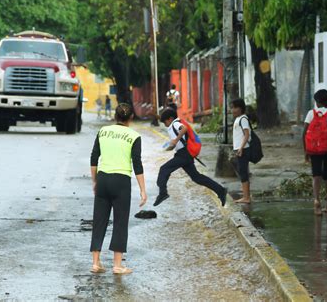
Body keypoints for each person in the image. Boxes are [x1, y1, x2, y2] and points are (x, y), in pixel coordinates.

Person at [90, 103, 148, 275]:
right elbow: (137, 164)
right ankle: (117, 265)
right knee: (120, 222)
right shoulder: (134, 136)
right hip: (121, 181)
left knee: (99, 220)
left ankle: (95, 262)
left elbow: (94, 157)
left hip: (103, 178)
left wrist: (95, 181)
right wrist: (143, 190)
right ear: (131, 118)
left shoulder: (103, 131)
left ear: (115, 116)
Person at [153, 108, 227, 207]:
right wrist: (172, 145)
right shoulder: (174, 124)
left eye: (165, 121)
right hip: (184, 154)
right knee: (196, 177)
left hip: (184, 154)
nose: (165, 124)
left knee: (164, 169)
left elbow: (184, 129)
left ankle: (163, 193)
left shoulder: (175, 123)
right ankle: (221, 190)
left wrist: (175, 140)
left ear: (170, 119)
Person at [231, 98, 252, 204]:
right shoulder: (238, 119)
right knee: (243, 172)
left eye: (235, 107)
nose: (233, 110)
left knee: (243, 172)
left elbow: (246, 134)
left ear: (241, 108)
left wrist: (240, 148)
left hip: (243, 149)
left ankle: (246, 197)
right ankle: (246, 196)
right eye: (232, 107)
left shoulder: (243, 119)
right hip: (240, 149)